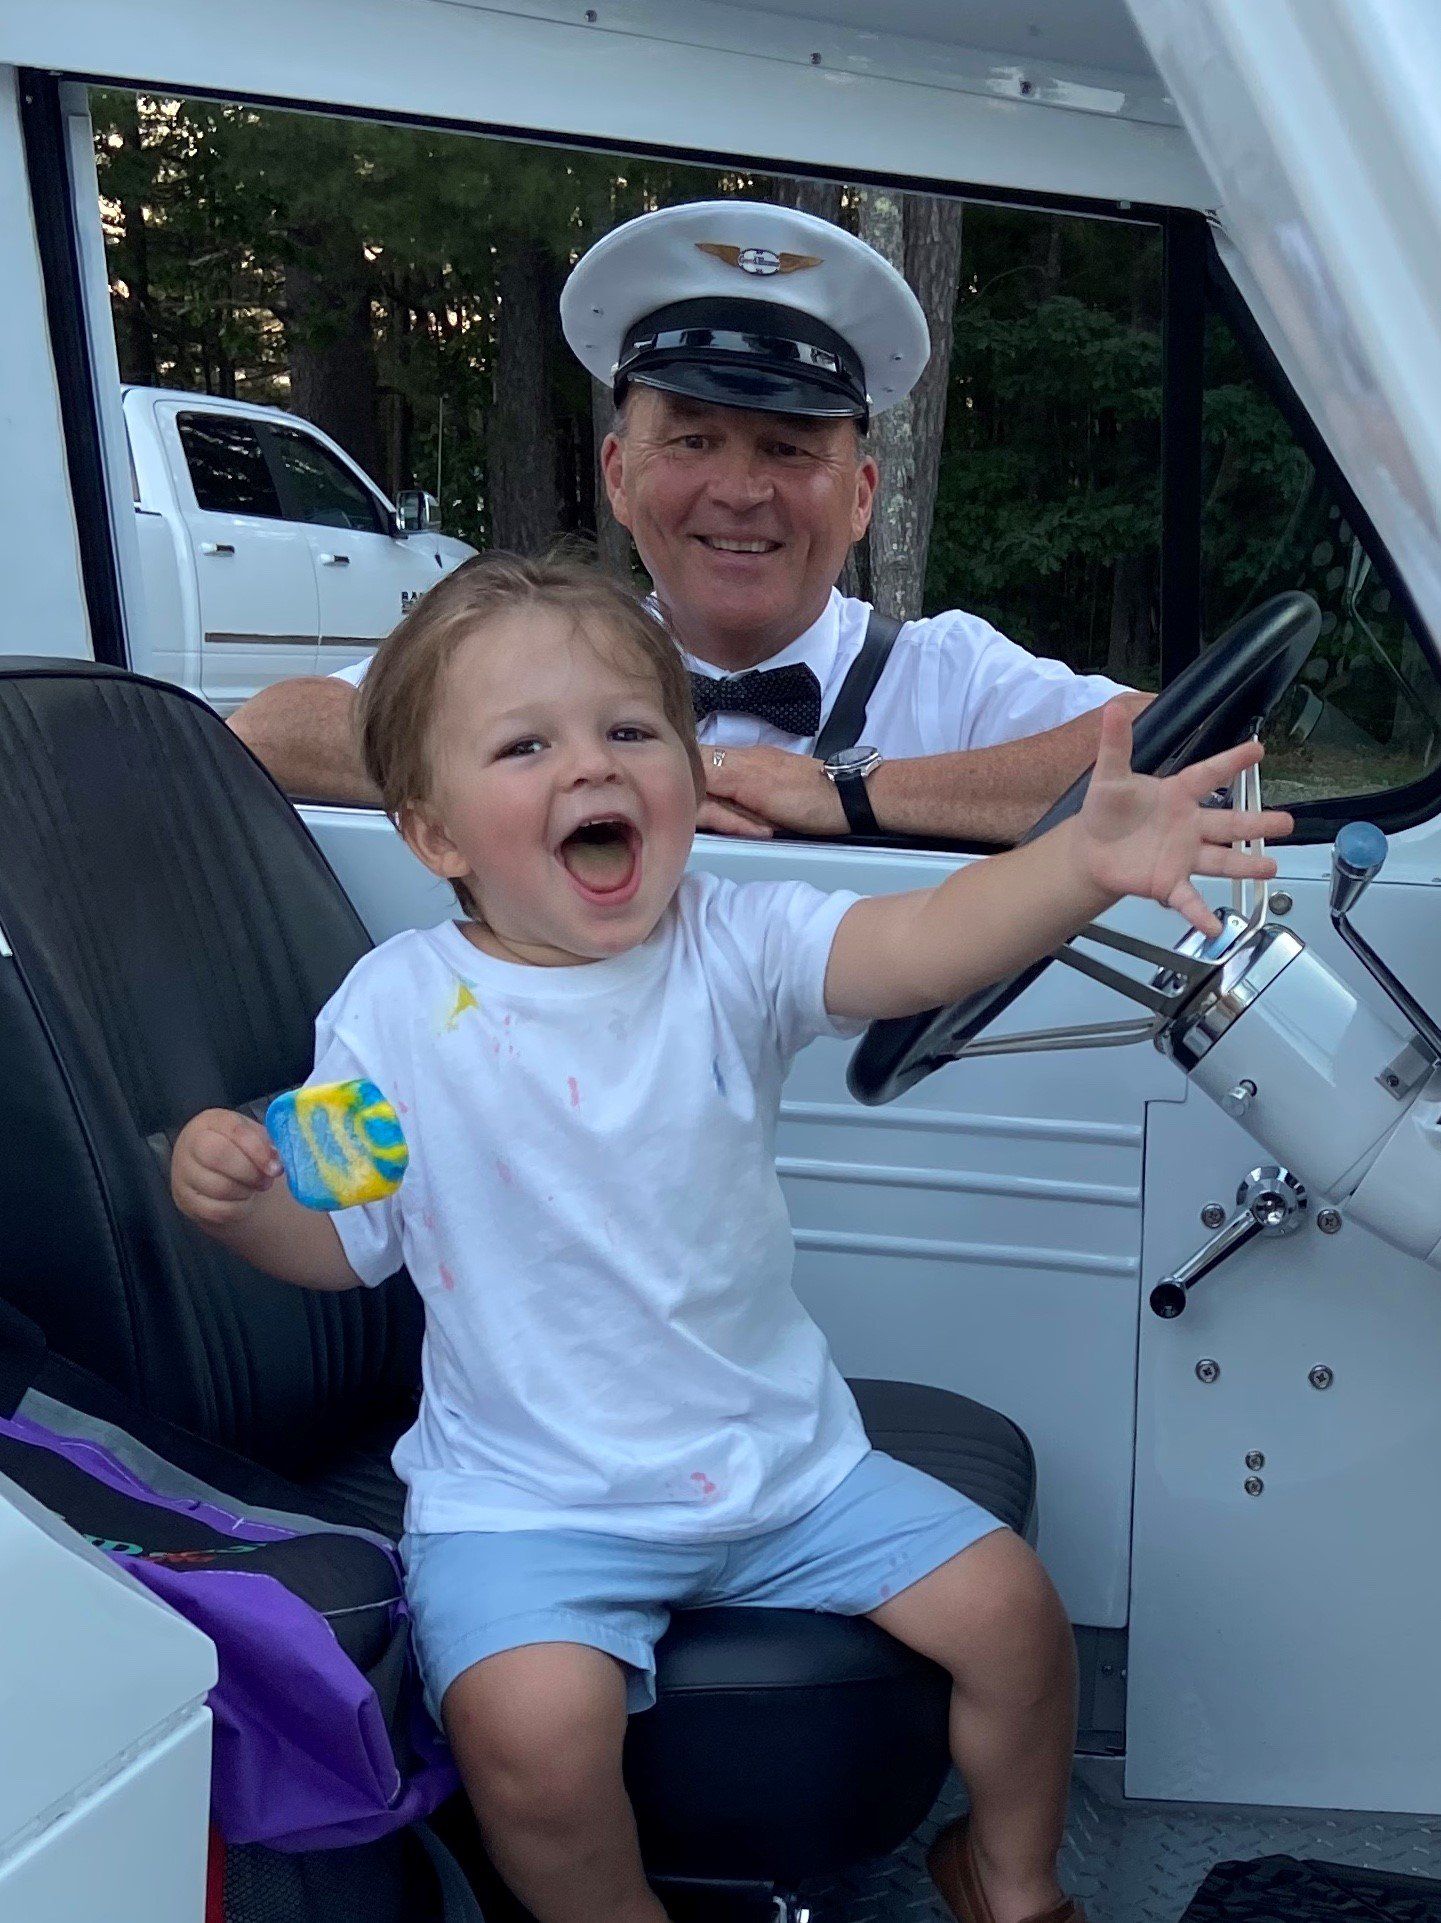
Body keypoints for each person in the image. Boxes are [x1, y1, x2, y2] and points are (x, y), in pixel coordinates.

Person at [174, 554, 1286, 1923]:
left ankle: (1006, 1876)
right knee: (530, 1743)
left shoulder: (731, 943)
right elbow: (342, 1245)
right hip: (530, 1503)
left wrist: (1076, 864)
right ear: (434, 834)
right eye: (526, 746)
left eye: (631, 731)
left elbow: (927, 940)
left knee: (1016, 1616)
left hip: (784, 1469)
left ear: (688, 778)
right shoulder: (390, 1013)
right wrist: (245, 1206)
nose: (593, 764)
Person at [229, 199, 1147, 843]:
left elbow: (1172, 741)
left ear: (862, 495)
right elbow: (268, 734)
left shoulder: (945, 677)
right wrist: (594, 774)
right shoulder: (537, 655)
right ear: (619, 477)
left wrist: (849, 791)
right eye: (694, 440)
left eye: (788, 448)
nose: (740, 490)